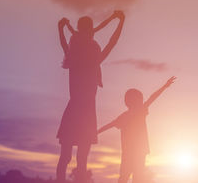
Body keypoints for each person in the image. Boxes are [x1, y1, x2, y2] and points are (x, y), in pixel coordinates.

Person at [56, 11, 125, 183]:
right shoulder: (94, 59)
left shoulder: (73, 57)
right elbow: (112, 42)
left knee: (66, 158)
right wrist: (120, 21)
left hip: (74, 112)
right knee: (81, 160)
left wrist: (61, 29)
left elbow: (65, 44)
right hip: (86, 114)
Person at [98, 76, 176, 183]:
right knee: (131, 178)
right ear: (133, 100)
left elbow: (109, 125)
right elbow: (152, 98)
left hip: (135, 152)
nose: (142, 100)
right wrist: (165, 86)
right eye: (140, 98)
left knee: (128, 178)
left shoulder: (132, 114)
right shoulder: (136, 112)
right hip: (135, 152)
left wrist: (96, 132)